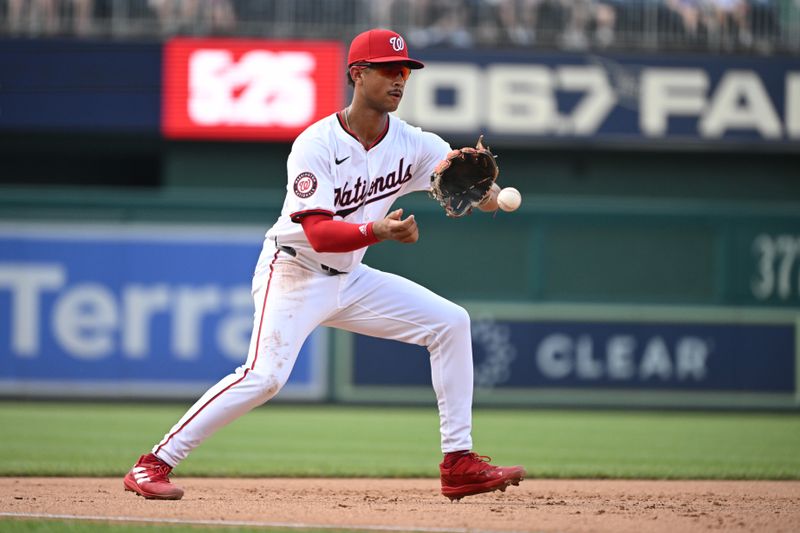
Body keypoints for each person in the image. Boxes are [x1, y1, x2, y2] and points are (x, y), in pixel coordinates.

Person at [123, 28, 526, 502]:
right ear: (358, 74)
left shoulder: (413, 143)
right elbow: (317, 231)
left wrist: (492, 197)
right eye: (388, 70)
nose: (400, 79)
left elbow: (471, 189)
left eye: (405, 72)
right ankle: (152, 464)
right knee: (264, 376)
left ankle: (459, 463)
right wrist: (377, 231)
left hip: (351, 276)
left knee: (450, 323)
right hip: (294, 270)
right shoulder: (315, 143)